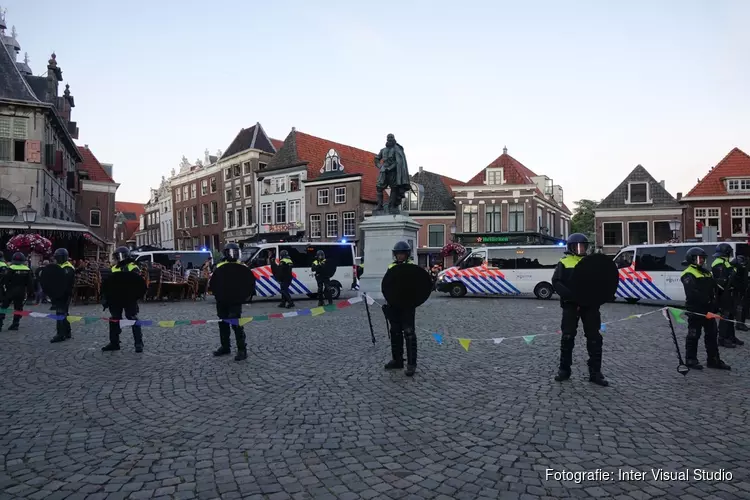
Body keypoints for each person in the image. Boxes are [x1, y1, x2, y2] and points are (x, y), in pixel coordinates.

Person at [551, 233, 608, 387]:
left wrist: (604, 294)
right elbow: (556, 282)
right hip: (570, 305)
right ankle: (564, 369)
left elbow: (601, 281)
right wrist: (570, 296)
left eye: (583, 246)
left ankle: (595, 372)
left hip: (590, 306)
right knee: (568, 337)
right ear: (570, 247)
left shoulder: (591, 262)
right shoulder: (564, 262)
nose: (580, 249)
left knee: (594, 338)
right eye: (577, 246)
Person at [681, 247, 730, 370]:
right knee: (693, 335)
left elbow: (714, 287)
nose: (702, 261)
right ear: (692, 259)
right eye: (699, 258)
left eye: (703, 258)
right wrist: (707, 301)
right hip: (696, 310)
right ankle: (690, 359)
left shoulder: (706, 272)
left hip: (709, 310)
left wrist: (717, 301)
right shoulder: (688, 273)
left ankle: (713, 360)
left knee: (712, 335)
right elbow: (693, 293)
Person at [383, 241, 418, 376]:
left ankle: (411, 364)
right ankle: (397, 360)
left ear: (407, 254)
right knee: (395, 332)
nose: (400, 256)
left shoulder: (412, 268)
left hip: (408, 305)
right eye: (398, 254)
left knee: (409, 333)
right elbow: (387, 285)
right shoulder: (391, 267)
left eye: (402, 254)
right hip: (394, 304)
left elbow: (417, 285)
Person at [102, 247, 145, 353]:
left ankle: (138, 343)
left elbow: (137, 283)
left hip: (129, 298)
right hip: (116, 298)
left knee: (132, 318)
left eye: (116, 258)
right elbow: (109, 284)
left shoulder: (133, 267)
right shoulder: (114, 268)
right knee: (114, 319)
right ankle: (114, 343)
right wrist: (106, 298)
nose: (115, 260)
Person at [212, 243, 247, 361]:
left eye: (236, 252)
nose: (234, 254)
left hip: (235, 300)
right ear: (226, 253)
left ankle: (242, 350)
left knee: (236, 324)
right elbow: (215, 282)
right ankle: (225, 346)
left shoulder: (242, 266)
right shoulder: (220, 265)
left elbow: (247, 283)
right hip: (222, 299)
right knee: (223, 323)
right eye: (232, 252)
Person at [711, 243, 741, 348]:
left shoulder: (725, 261)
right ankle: (722, 339)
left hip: (730, 292)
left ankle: (731, 336)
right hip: (723, 294)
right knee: (725, 316)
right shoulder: (718, 263)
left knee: (731, 315)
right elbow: (722, 281)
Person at [0, 252, 34, 332]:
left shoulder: (10, 268)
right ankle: (15, 324)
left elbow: (4, 280)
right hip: (21, 292)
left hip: (10, 291)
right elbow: (30, 283)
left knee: (4, 307)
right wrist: (30, 294)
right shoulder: (27, 270)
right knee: (18, 308)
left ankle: (0, 323)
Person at [49, 249, 76, 343]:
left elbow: (63, 281)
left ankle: (60, 334)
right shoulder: (60, 266)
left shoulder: (67, 268)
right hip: (60, 293)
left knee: (60, 313)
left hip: (64, 293)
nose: (57, 259)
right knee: (64, 313)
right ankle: (67, 332)